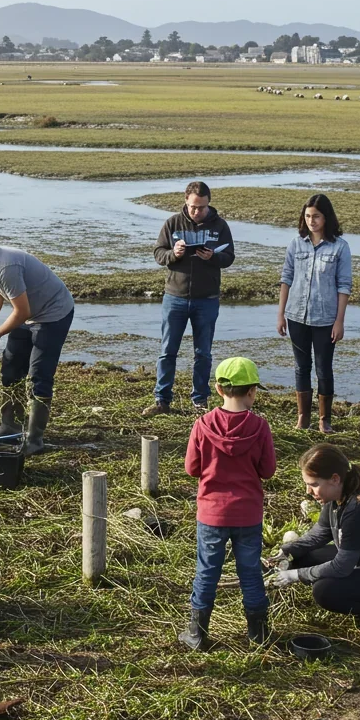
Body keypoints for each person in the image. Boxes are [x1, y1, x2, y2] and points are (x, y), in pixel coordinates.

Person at [266, 444, 360, 631]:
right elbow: (318, 535)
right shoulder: (336, 498)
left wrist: (295, 575)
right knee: (303, 557)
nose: (308, 491)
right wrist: (287, 551)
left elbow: (341, 567)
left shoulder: (359, 509)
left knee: (325, 591)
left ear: (334, 479)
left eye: (313, 484)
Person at [178, 357, 276, 651]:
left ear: (218, 389)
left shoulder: (202, 424)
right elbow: (268, 470)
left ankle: (196, 635)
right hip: (248, 513)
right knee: (250, 572)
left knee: (207, 571)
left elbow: (191, 468)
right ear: (252, 392)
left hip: (211, 514)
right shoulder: (260, 426)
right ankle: (258, 635)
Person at [0, 232, 75, 457]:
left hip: (53, 314)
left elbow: (22, 311)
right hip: (29, 314)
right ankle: (10, 426)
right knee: (11, 368)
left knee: (38, 376)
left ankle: (35, 439)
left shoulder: (6, 267)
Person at [144, 181, 235, 417]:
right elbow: (158, 253)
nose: (197, 212)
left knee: (202, 352)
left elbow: (229, 257)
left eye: (202, 207)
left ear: (208, 203)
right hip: (175, 297)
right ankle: (162, 400)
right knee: (168, 350)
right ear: (186, 200)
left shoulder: (220, 226)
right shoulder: (172, 223)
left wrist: (213, 257)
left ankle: (200, 401)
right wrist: (173, 254)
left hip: (207, 299)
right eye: (194, 207)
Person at [278, 194, 352, 433]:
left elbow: (344, 285)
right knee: (301, 367)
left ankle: (324, 420)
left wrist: (339, 321)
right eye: (308, 216)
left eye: (316, 216)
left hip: (325, 318)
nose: (311, 221)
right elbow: (286, 279)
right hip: (296, 315)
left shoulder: (340, 247)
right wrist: (281, 314)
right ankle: (303, 418)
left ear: (326, 217)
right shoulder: (296, 243)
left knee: (323, 368)